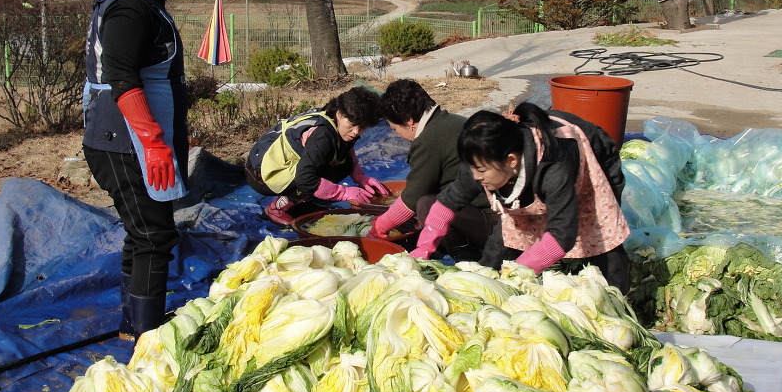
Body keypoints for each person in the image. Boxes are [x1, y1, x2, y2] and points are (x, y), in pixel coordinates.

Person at [82, 0, 199, 341]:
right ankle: (148, 333)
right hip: (124, 141)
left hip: (129, 140)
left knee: (143, 230)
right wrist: (152, 141)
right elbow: (122, 76)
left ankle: (132, 324)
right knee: (154, 234)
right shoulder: (129, 7)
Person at [409, 102, 632, 291]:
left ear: (511, 161)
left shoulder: (554, 168)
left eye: (481, 170)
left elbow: (563, 233)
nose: (475, 177)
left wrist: (518, 271)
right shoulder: (482, 160)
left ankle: (620, 297)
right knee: (506, 240)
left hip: (593, 159)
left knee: (600, 237)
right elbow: (449, 201)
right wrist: (424, 248)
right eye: (472, 168)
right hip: (531, 174)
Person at [366, 79, 495, 257]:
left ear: (409, 120)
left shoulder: (429, 140)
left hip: (493, 222)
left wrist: (379, 227)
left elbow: (412, 198)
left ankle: (465, 255)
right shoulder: (448, 120)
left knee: (426, 205)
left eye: (395, 129)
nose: (398, 135)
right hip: (491, 215)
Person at [247, 86, 389, 225]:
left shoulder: (336, 120)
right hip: (260, 173)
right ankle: (276, 209)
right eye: (352, 124)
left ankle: (302, 199)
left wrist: (360, 176)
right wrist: (343, 193)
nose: (356, 132)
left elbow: (346, 150)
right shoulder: (322, 135)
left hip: (285, 163)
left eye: (362, 127)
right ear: (339, 114)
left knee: (344, 165)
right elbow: (306, 178)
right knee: (317, 176)